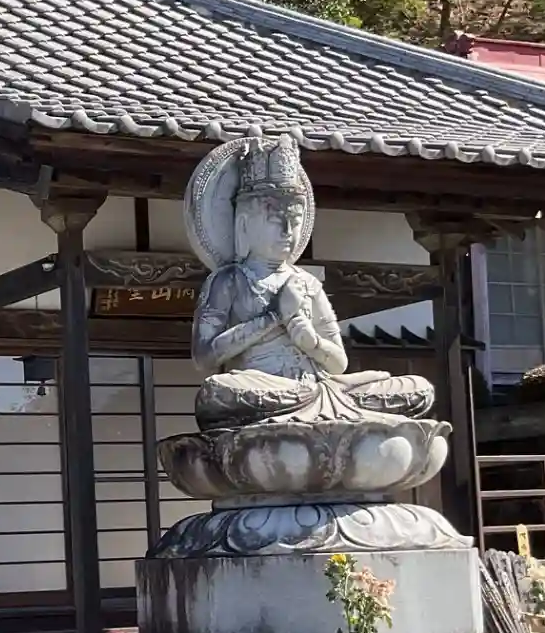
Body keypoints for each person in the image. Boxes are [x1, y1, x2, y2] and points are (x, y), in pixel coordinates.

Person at [186, 137, 434, 429]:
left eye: (295, 220)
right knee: (218, 390)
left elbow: (338, 363)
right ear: (244, 223)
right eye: (275, 220)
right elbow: (204, 358)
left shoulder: (307, 283)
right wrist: (274, 317)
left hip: (320, 387)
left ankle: (317, 405)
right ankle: (313, 407)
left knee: (418, 388)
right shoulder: (228, 281)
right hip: (262, 387)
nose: (287, 231)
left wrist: (311, 342)